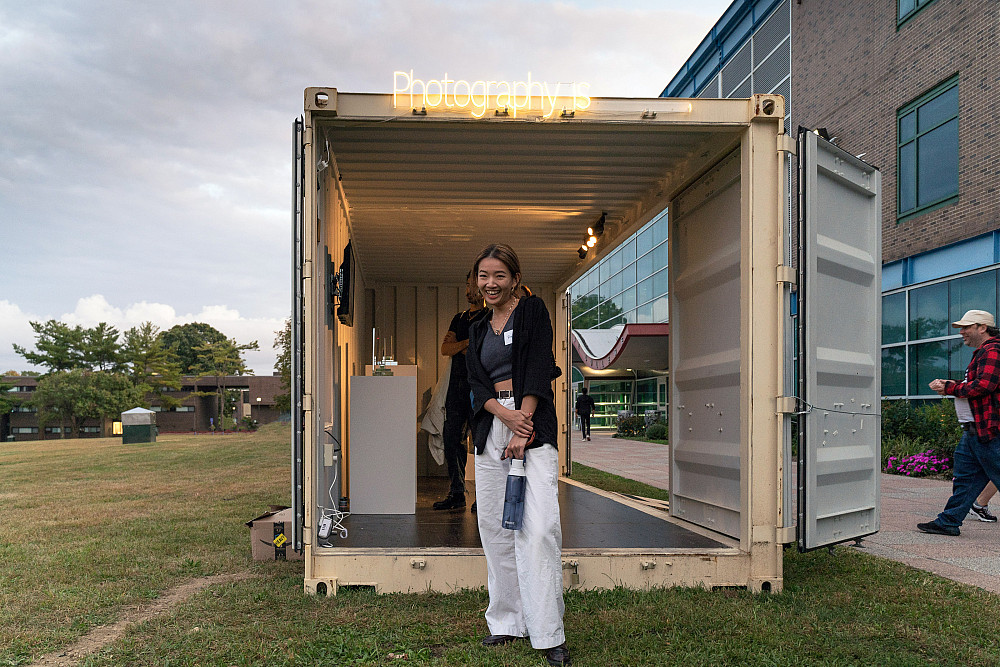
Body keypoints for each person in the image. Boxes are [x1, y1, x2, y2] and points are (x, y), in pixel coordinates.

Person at [466, 243, 571, 666]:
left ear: (514, 278)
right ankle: (507, 621)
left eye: (499, 276)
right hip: (494, 428)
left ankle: (548, 633)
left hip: (530, 426)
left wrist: (522, 423)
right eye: (483, 276)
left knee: (540, 527)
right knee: (494, 527)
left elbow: (539, 366)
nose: (491, 284)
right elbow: (475, 383)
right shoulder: (476, 327)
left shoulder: (533, 311)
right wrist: (503, 417)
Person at [918, 309, 1000, 536]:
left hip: (989, 431)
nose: (961, 332)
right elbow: (978, 384)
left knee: (971, 479)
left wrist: (949, 388)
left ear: (982, 328)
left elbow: (984, 386)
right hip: (975, 431)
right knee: (965, 480)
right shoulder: (982, 352)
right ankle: (949, 521)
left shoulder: (993, 350)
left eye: (966, 327)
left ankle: (949, 520)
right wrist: (951, 384)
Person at [433, 271, 486, 511]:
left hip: (480, 391)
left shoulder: (490, 316)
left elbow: (483, 353)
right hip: (456, 391)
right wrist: (466, 344)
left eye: (471, 285)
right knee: (451, 439)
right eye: (466, 285)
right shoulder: (460, 318)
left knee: (482, 444)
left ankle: (483, 497)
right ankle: (457, 493)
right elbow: (446, 348)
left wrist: (463, 347)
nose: (467, 291)